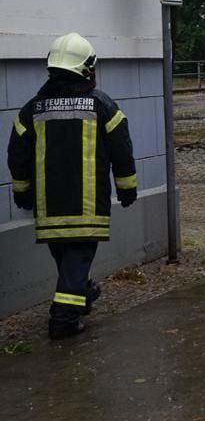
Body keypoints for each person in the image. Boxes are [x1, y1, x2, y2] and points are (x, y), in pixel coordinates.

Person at [7, 33, 137, 340]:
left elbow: (17, 156)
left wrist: (22, 193)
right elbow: (122, 150)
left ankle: (84, 292)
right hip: (87, 208)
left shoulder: (32, 110)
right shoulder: (102, 106)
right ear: (86, 69)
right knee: (77, 260)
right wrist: (127, 188)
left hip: (49, 208)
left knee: (68, 261)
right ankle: (63, 319)